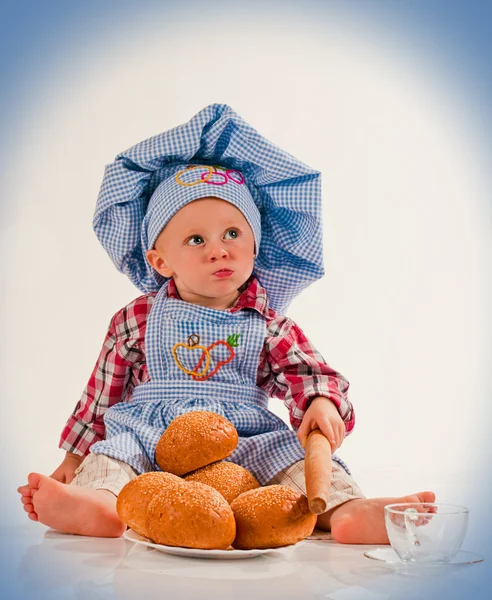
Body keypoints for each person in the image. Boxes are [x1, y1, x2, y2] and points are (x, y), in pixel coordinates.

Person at [18, 105, 435, 541]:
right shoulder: (137, 317)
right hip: (150, 434)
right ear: (159, 261)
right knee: (114, 456)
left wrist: (322, 403)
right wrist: (74, 456)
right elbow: (102, 393)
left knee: (291, 460)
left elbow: (309, 374)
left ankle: (348, 510)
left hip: (244, 438)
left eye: (233, 234)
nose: (218, 250)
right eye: (196, 239)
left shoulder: (269, 324)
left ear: (256, 245)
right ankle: (99, 504)